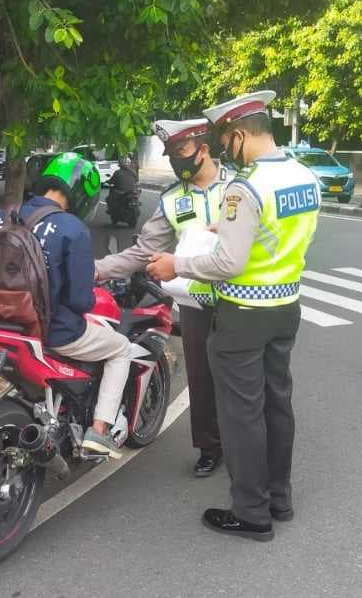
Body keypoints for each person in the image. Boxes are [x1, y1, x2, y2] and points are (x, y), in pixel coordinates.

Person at [147, 91, 321, 541]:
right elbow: (276, 237)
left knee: (242, 416)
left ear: (240, 134)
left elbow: (228, 263)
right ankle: (279, 499)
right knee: (277, 404)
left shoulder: (244, 187)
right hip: (286, 306)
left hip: (243, 313)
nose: (226, 150)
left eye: (227, 140)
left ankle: (251, 513)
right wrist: (228, 228)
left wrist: (176, 265)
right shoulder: (305, 177)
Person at [0, 152, 132, 458]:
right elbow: (80, 300)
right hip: (52, 332)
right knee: (121, 348)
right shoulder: (71, 229)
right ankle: (99, 431)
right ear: (83, 193)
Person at [96, 118, 231, 477]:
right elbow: (143, 252)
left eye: (181, 152)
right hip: (196, 303)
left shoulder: (239, 188)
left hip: (241, 301)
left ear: (204, 150)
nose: (176, 161)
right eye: (170, 154)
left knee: (243, 379)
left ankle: (246, 445)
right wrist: (97, 270)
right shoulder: (172, 199)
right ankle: (210, 447)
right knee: (201, 379)